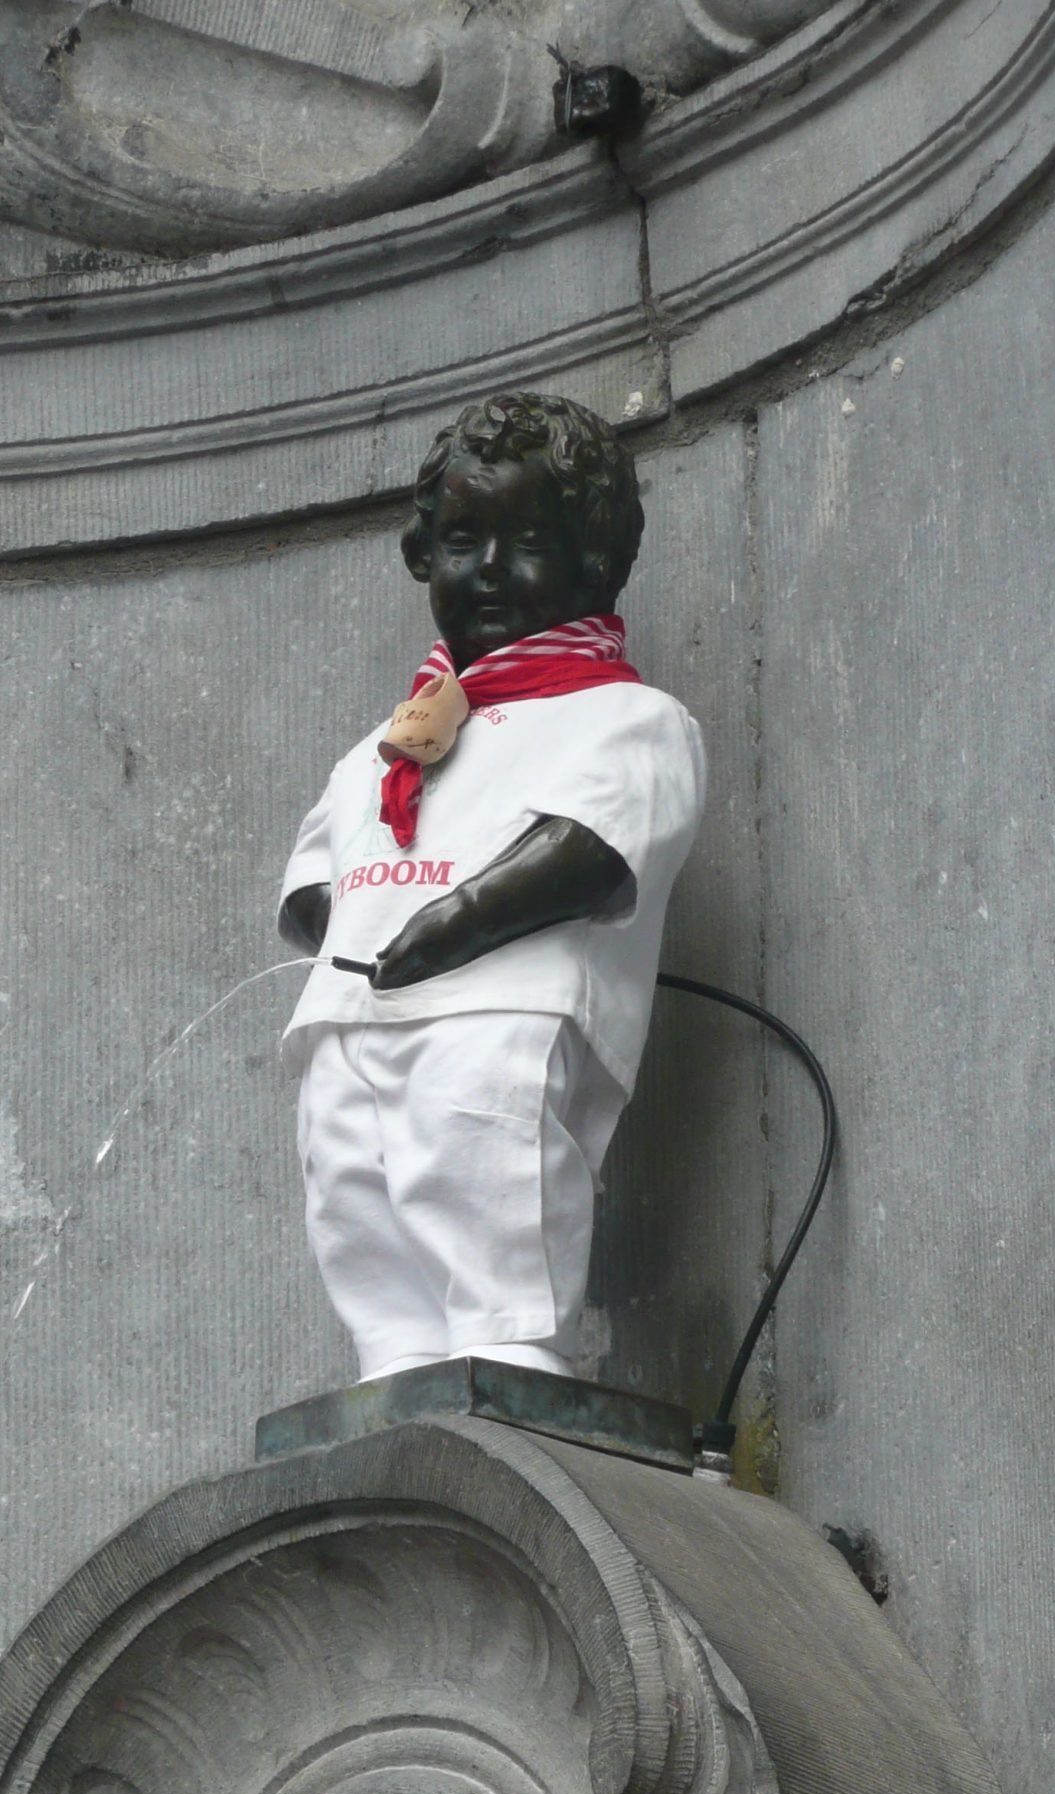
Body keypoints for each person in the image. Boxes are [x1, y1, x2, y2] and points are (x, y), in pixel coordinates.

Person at [278, 388, 705, 1383]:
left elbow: (591, 847)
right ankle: (393, 1361)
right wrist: (340, 926)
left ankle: (513, 1351)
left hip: (501, 1008)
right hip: (353, 1019)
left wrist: (460, 916)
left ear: (594, 561)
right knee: (350, 1185)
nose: (489, 574)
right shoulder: (388, 744)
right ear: (424, 554)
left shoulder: (623, 719)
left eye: (529, 544)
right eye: (463, 542)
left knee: (485, 1170)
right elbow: (315, 878)